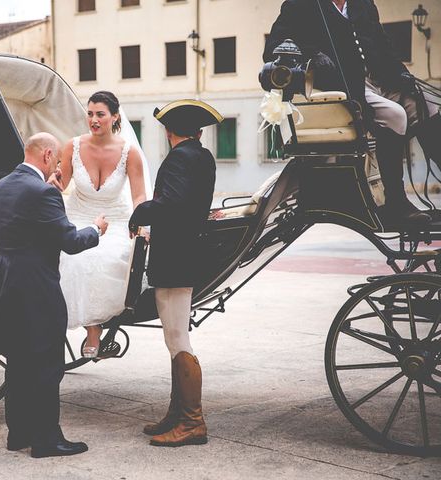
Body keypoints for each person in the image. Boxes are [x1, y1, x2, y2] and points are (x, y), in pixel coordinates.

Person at [0, 132, 108, 458]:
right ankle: (47, 439)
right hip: (37, 288)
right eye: (56, 161)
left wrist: (51, 193)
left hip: (7, 283)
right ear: (47, 155)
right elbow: (70, 241)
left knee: (17, 363)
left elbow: (25, 225)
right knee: (47, 365)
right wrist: (96, 229)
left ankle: (18, 433)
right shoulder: (43, 192)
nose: (57, 168)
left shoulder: (4, 185)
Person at [264, 0, 439, 225]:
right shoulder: (301, 5)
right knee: (395, 115)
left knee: (428, 107)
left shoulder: (363, 4)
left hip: (381, 81)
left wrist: (402, 74)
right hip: (344, 87)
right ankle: (395, 201)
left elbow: (383, 47)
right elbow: (273, 48)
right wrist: (311, 55)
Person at [128, 100, 221, 447]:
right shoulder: (201, 155)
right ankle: (177, 414)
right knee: (173, 337)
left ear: (169, 131)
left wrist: (140, 213)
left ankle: (193, 422)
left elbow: (172, 204)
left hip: (176, 256)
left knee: (178, 337)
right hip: (182, 253)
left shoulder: (182, 157)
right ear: (197, 132)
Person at [48, 91, 148, 358]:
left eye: (100, 114)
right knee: (72, 258)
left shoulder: (130, 152)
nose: (93, 119)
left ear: (114, 116)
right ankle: (91, 328)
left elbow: (139, 195)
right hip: (78, 216)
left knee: (108, 257)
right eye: (90, 113)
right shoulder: (73, 146)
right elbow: (63, 184)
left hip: (116, 221)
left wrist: (141, 224)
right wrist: (53, 182)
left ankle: (96, 329)